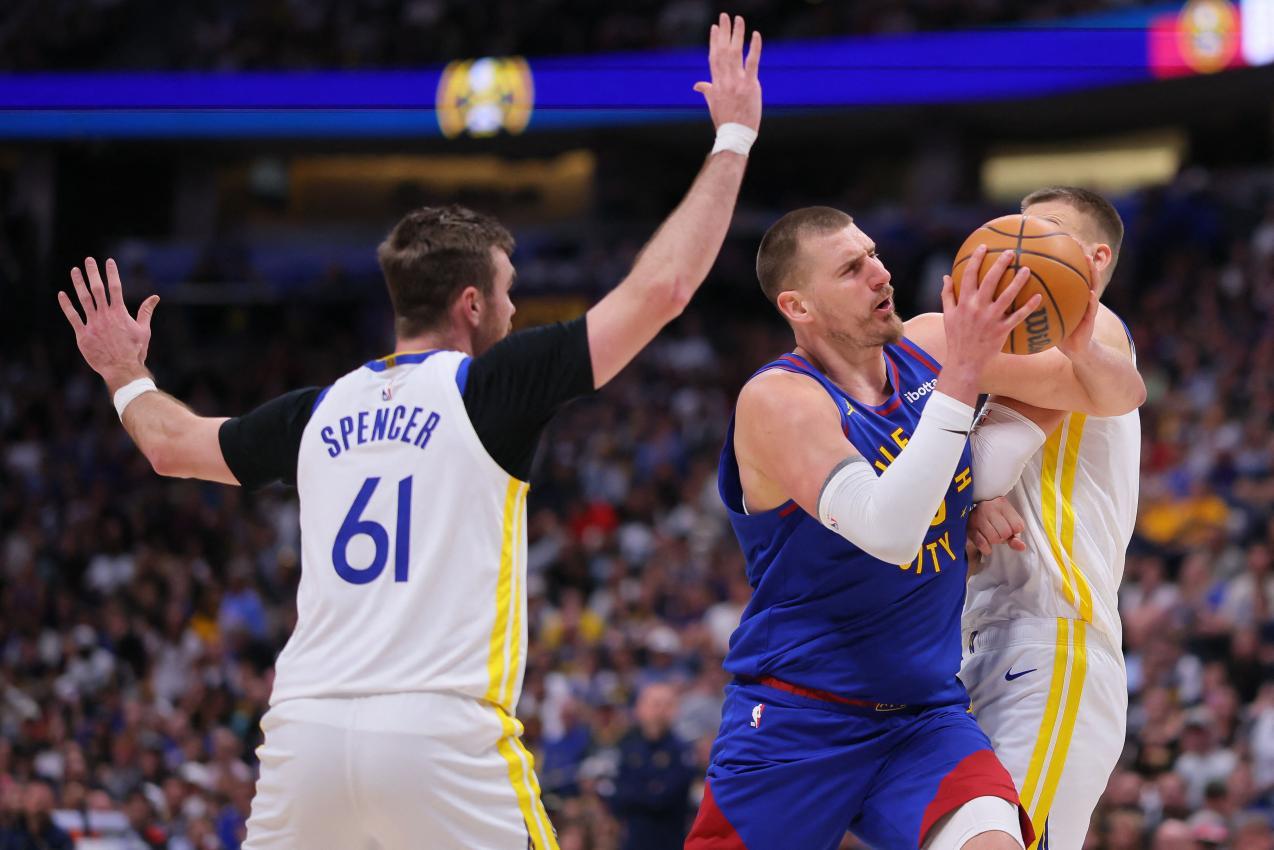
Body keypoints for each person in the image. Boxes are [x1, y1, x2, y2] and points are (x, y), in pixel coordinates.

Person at [56, 14, 762, 850]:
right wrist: (734, 135)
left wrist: (124, 373)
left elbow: (170, 447)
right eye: (505, 291)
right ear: (471, 304)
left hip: (305, 734)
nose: (510, 306)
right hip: (438, 736)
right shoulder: (488, 386)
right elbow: (664, 289)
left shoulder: (320, 411)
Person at [685, 205, 1145, 850]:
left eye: (874, 255)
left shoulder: (924, 349)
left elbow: (1115, 395)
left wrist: (974, 494)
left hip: (923, 719)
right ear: (799, 306)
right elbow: (890, 529)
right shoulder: (781, 400)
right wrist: (961, 390)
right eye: (851, 269)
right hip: (801, 717)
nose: (879, 274)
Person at [960, 187, 1140, 850]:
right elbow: (978, 469)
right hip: (988, 638)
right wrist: (975, 502)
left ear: (1091, 260)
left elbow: (982, 457)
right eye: (1014, 230)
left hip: (1054, 636)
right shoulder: (1018, 367)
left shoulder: (1097, 333)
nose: (1016, 247)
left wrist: (903, 347)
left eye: (1044, 233)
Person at [610, 683, 696, 850]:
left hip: (669, 839)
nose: (660, 711)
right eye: (655, 704)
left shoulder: (681, 751)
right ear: (639, 709)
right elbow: (619, 796)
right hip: (634, 840)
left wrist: (638, 792)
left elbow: (663, 798)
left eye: (667, 705)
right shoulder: (627, 747)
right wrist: (649, 789)